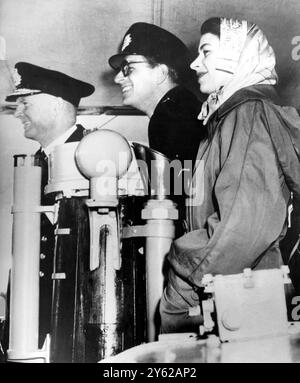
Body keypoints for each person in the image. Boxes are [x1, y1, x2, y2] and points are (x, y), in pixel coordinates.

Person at [160, 17, 300, 333]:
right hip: (240, 292)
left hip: (240, 299)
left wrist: (181, 283)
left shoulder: (247, 113)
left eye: (206, 52)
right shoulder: (230, 117)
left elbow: (240, 228)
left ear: (237, 56)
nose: (195, 64)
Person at [5, 62, 95, 350]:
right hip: (38, 316)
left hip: (77, 314)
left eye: (25, 102)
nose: (18, 112)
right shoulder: (35, 161)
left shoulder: (92, 154)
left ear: (56, 105)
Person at [108, 22, 204, 169]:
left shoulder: (170, 117)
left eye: (129, 68)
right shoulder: (179, 108)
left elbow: (175, 189)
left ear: (160, 73)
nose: (117, 78)